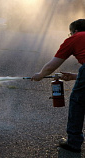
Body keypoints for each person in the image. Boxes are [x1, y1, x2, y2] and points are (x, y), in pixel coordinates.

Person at [31, 19, 85, 153]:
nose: (70, 35)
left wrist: (40, 75)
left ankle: (73, 143)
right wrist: (74, 76)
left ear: (75, 31)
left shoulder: (75, 38)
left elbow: (52, 65)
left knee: (78, 103)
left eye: (70, 33)